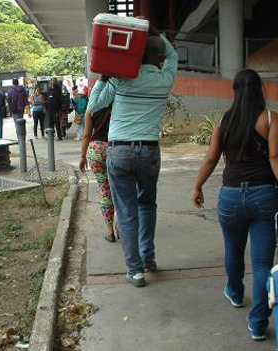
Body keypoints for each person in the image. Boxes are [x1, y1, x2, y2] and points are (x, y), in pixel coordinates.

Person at [191, 69, 278, 341]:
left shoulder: (223, 121)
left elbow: (210, 158)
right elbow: (275, 156)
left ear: (235, 91)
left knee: (233, 248)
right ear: (259, 89)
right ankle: (258, 322)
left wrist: (198, 186)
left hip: (229, 196)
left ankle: (236, 292)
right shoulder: (270, 118)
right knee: (262, 263)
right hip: (264, 196)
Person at [86, 25, 176, 288]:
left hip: (119, 150)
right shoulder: (165, 78)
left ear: (138, 55)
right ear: (158, 59)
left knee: (125, 210)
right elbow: (172, 55)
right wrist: (158, 32)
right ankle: (149, 258)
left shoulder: (122, 78)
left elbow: (93, 108)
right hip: (148, 150)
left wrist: (104, 77)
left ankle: (135, 270)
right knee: (147, 204)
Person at [79, 106, 116, 242]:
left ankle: (110, 231)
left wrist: (82, 156)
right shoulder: (119, 103)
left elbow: (87, 135)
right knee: (122, 189)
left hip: (97, 150)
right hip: (116, 149)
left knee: (105, 190)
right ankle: (123, 226)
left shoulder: (92, 108)